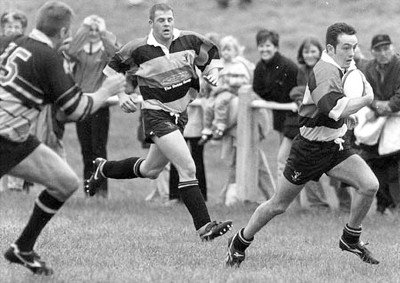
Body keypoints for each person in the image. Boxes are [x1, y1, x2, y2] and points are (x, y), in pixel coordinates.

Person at [225, 22, 380, 268]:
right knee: (278, 205)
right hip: (308, 150)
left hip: (335, 146)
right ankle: (240, 241)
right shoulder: (323, 71)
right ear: (330, 48)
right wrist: (365, 100)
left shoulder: (345, 69)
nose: (352, 53)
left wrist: (348, 113)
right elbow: (333, 109)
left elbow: (338, 109)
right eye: (346, 47)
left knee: (369, 185)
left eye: (354, 47)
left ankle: (350, 237)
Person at [85, 3, 232, 241]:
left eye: (170, 19)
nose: (166, 24)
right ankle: (205, 227)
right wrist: (122, 96)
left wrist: (213, 72)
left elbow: (212, 57)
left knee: (150, 169)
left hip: (179, 115)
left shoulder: (190, 40)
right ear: (151, 23)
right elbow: (113, 71)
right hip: (156, 115)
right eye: (161, 20)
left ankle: (103, 168)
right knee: (187, 167)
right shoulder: (138, 48)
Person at [1, 1, 125, 275]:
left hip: (15, 139)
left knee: (66, 182)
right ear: (64, 31)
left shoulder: (12, 42)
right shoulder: (48, 57)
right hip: (5, 137)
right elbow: (76, 110)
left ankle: (23, 248)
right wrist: (106, 91)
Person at [65, 14, 120, 197]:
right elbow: (70, 52)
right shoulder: (80, 52)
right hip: (83, 104)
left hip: (100, 105)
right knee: (85, 149)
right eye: (91, 30)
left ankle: (102, 191)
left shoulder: (103, 53)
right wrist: (85, 29)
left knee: (99, 148)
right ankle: (89, 191)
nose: (94, 33)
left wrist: (103, 33)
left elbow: (115, 54)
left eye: (97, 30)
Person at [252, 29, 298, 186]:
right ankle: (289, 201)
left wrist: (275, 101)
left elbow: (294, 92)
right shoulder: (260, 67)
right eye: (261, 45)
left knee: (288, 160)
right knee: (288, 161)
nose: (264, 49)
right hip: (280, 116)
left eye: (268, 45)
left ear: (276, 47)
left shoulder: (288, 66)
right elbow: (258, 89)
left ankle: (299, 201)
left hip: (295, 117)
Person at [359, 34, 400, 213]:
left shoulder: (399, 65)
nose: (383, 53)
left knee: (394, 166)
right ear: (372, 52)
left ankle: (396, 206)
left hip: (395, 120)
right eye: (379, 50)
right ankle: (382, 206)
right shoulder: (369, 68)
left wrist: (388, 106)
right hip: (376, 123)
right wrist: (376, 105)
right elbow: (365, 92)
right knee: (376, 164)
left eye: (386, 48)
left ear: (392, 48)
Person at [289, 37, 331, 209]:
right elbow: (300, 92)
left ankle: (344, 205)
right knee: (308, 163)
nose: (309, 55)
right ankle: (318, 204)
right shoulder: (301, 71)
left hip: (327, 120)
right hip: (310, 122)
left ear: (320, 52)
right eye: (306, 51)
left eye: (313, 51)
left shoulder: (326, 69)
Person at [0, 10, 32, 193]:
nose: (13, 30)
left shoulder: (28, 49)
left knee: (17, 143)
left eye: (17, 27)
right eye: (9, 26)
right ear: (3, 29)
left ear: (24, 29)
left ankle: (16, 186)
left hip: (20, 105)